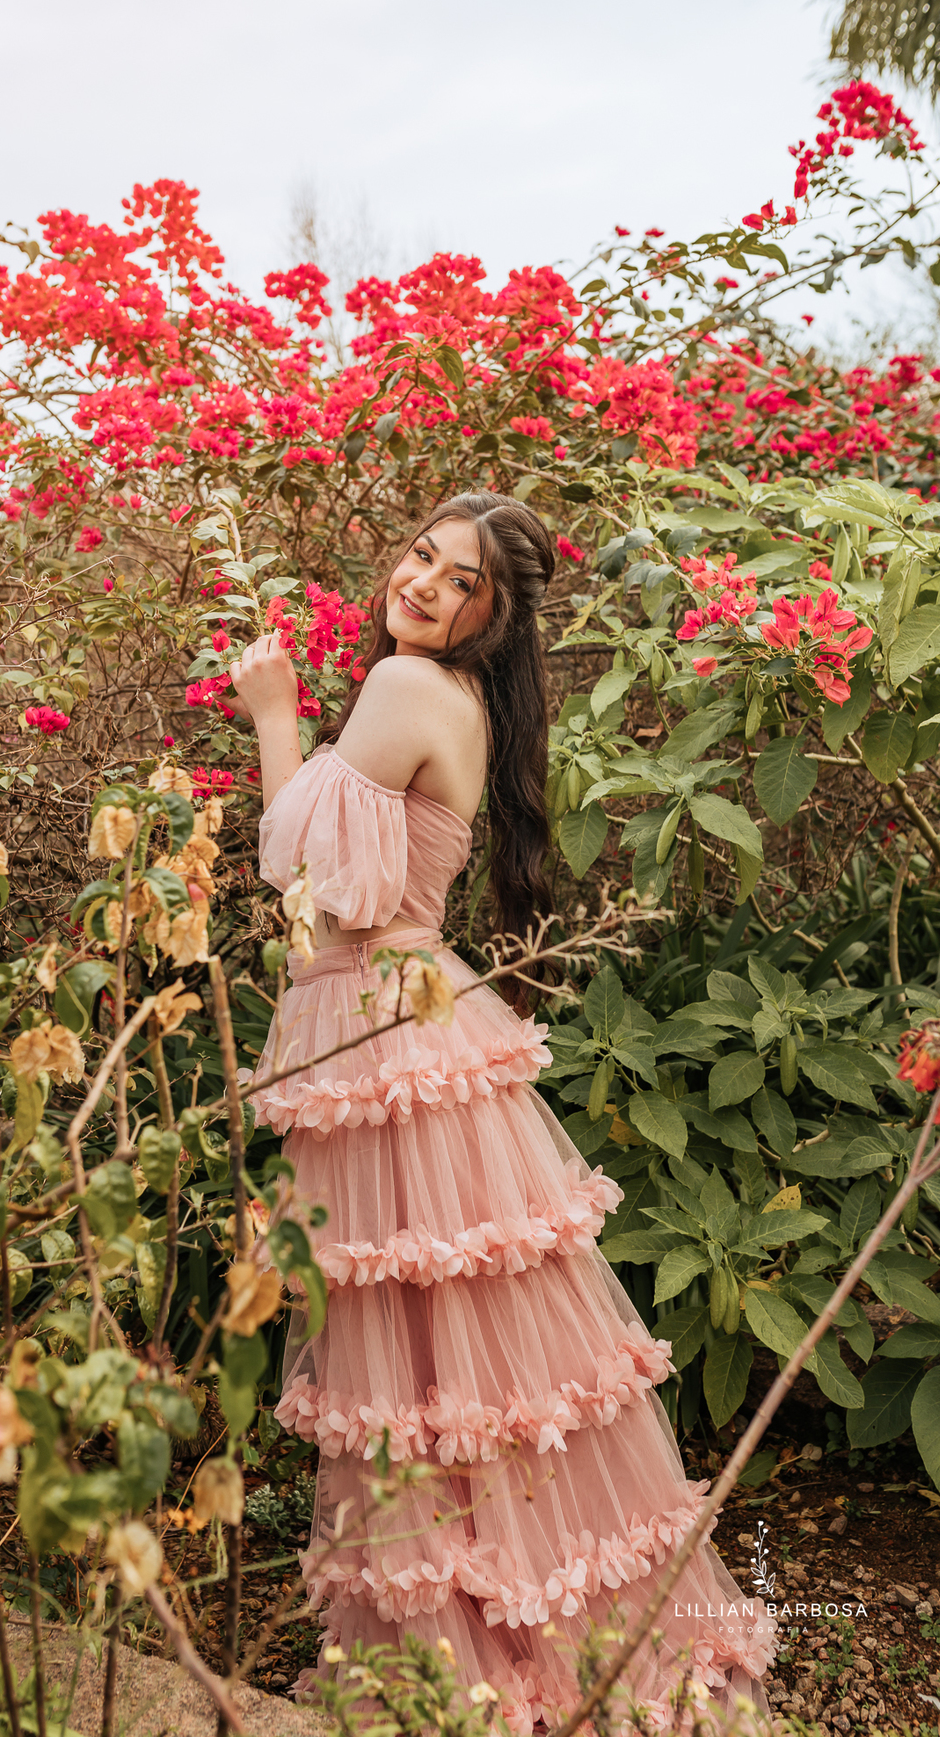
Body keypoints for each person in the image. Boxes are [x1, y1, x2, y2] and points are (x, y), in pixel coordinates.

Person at [228, 492, 777, 1736]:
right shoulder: (446, 696)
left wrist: (273, 718)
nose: (424, 583)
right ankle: (509, 1613)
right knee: (462, 1367)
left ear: (495, 618)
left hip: (384, 1031)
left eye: (459, 579)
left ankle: (470, 1653)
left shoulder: (407, 690)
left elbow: (317, 891)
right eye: (422, 554)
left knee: (433, 1373)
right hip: (407, 1027)